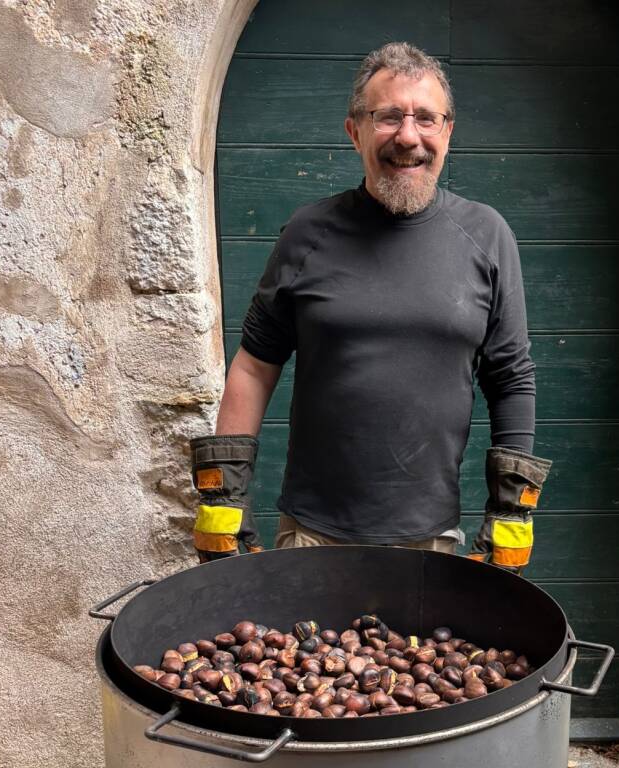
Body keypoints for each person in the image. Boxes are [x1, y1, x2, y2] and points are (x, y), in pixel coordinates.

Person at [189, 42, 551, 574]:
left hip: (431, 541)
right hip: (310, 533)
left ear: (447, 131)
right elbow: (253, 365)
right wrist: (222, 500)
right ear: (354, 130)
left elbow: (511, 377)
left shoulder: (486, 235)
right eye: (388, 117)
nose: (409, 137)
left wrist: (512, 512)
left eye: (426, 118)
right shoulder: (307, 232)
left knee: (417, 660)